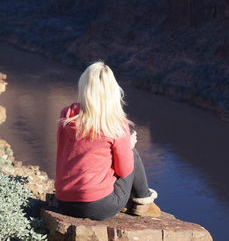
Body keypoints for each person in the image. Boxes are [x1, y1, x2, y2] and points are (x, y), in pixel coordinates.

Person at [55, 61, 161, 220]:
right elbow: (124, 171)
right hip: (98, 206)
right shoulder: (115, 124)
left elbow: (64, 150)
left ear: (83, 86)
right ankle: (143, 201)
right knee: (132, 153)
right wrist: (128, 146)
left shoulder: (67, 114)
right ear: (112, 90)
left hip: (64, 201)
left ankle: (141, 199)